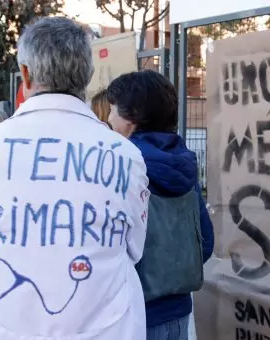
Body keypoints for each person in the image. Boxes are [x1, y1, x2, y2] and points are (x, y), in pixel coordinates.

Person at [0, 17, 150, 340]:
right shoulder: (124, 153)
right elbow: (133, 247)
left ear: (25, 74)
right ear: (87, 76)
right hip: (105, 326)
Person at [107, 70, 214, 340]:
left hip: (134, 314)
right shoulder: (184, 163)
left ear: (131, 116)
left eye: (112, 110)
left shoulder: (121, 165)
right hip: (179, 312)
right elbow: (206, 243)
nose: (108, 119)